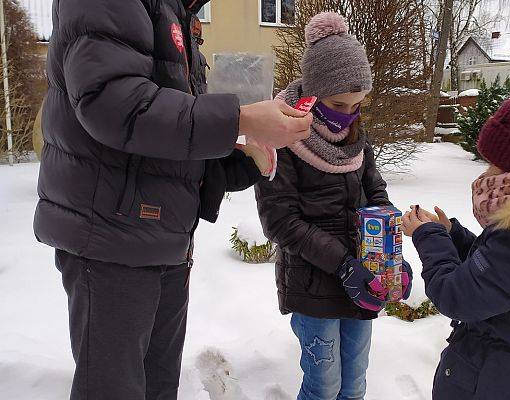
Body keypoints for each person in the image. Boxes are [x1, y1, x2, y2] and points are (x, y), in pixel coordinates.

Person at [32, 1, 312, 399]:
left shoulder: (174, 11)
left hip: (164, 240)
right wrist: (241, 118)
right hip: (113, 239)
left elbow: (169, 145)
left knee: (159, 388)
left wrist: (243, 158)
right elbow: (116, 105)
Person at [255, 12, 413, 400]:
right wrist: (344, 264)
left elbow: (376, 194)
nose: (349, 114)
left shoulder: (356, 137)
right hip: (314, 284)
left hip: (364, 280)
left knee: (355, 383)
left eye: (358, 104)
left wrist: (390, 254)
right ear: (313, 93)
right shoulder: (280, 138)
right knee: (323, 387)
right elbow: (280, 222)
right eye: (339, 103)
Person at [402, 81, 510, 400]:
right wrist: (454, 236)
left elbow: (457, 296)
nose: (486, 176)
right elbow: (495, 275)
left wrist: (429, 238)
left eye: (497, 163)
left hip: (496, 380)